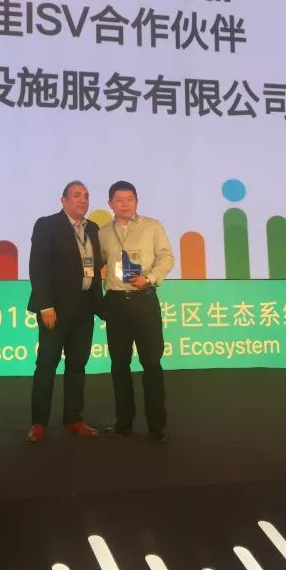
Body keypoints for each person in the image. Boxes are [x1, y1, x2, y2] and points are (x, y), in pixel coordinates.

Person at [26, 181, 105, 443]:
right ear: (64, 200)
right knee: (46, 364)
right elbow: (38, 268)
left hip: (85, 306)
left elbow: (96, 265)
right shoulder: (47, 225)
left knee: (77, 364)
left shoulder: (93, 229)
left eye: (86, 196)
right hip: (55, 309)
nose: (82, 200)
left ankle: (73, 419)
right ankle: (39, 423)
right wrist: (45, 305)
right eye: (76, 195)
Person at [98, 181, 174, 443]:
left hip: (144, 300)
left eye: (130, 199)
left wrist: (149, 278)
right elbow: (97, 264)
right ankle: (124, 422)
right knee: (119, 364)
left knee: (151, 363)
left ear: (137, 202)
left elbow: (166, 257)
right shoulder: (102, 233)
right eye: (119, 200)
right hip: (116, 303)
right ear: (110, 204)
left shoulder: (152, 226)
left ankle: (157, 427)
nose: (125, 204)